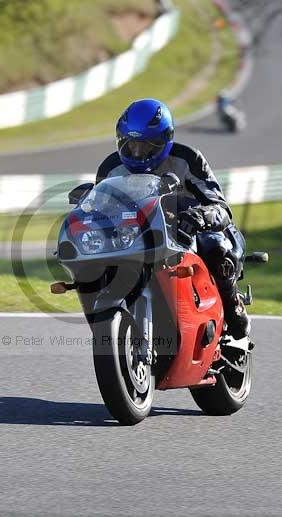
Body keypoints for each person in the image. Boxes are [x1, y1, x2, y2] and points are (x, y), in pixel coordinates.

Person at [95, 98, 251, 339]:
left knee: (216, 246)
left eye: (146, 145)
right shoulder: (110, 168)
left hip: (185, 231)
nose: (137, 152)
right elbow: (98, 211)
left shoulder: (187, 159)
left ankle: (233, 306)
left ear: (164, 140)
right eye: (131, 144)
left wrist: (201, 215)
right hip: (133, 237)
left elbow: (219, 205)